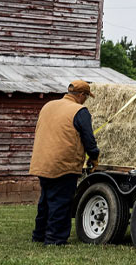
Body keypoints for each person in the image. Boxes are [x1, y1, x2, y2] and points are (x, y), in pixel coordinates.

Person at [29, 80, 100, 245]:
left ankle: (39, 235)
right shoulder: (80, 111)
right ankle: (55, 239)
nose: (86, 100)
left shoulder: (48, 106)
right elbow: (89, 140)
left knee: (46, 201)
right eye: (86, 97)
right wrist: (94, 157)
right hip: (63, 163)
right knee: (61, 202)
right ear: (81, 95)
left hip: (42, 162)